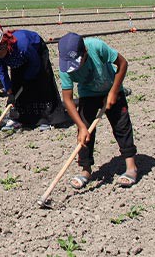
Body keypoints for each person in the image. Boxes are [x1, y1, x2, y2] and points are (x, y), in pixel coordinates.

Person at [57, 32, 138, 189]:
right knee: (85, 132)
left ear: (85, 52)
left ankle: (131, 166)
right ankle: (86, 170)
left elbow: (122, 64)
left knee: (121, 125)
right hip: (88, 94)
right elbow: (68, 99)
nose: (74, 68)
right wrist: (81, 126)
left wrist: (114, 92)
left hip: (112, 88)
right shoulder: (65, 68)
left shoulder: (96, 47)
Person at [0, 28, 70, 131]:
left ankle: (47, 119)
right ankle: (19, 119)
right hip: (18, 59)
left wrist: (27, 78)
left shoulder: (22, 45)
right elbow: (2, 72)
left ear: (4, 46)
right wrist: (10, 91)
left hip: (36, 54)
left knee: (41, 84)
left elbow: (35, 63)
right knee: (17, 86)